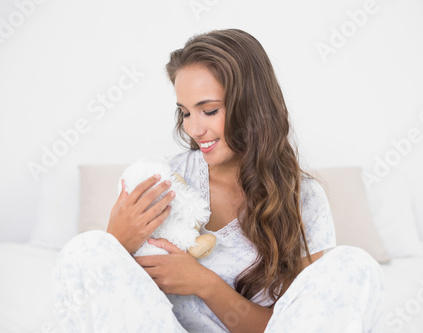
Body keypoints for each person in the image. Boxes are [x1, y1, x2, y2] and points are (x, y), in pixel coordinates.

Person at [53, 29, 385, 332]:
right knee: (87, 248)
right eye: (185, 112)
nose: (194, 130)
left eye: (209, 110)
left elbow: (290, 323)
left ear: (252, 107)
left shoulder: (303, 199)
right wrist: (116, 242)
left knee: (355, 264)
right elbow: (111, 297)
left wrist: (204, 283)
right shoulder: (159, 183)